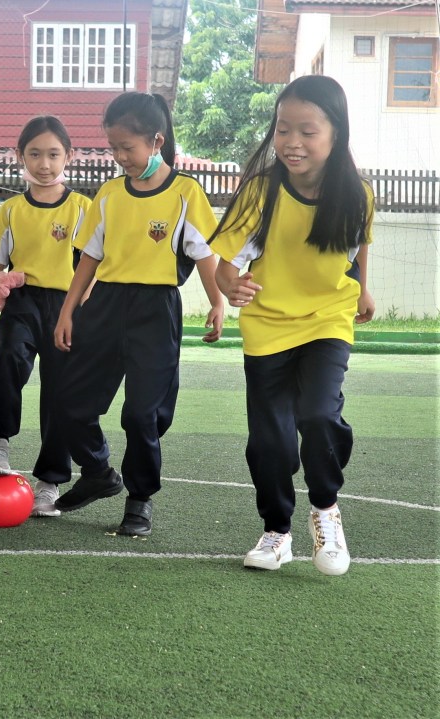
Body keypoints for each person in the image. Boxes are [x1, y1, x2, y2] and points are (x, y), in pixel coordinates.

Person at [211, 75, 374, 577]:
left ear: (336, 133)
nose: (292, 142)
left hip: (327, 319)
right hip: (267, 326)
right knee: (270, 441)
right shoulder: (259, 192)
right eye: (283, 129)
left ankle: (326, 510)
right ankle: (277, 532)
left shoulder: (357, 193)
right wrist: (231, 287)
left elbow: (357, 248)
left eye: (307, 131)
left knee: (319, 415)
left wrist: (364, 289)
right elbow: (225, 264)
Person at [52, 91, 224, 536]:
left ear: (156, 141)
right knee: (69, 403)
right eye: (113, 147)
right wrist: (68, 311)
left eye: (127, 147)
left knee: (141, 415)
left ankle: (139, 499)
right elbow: (89, 258)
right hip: (104, 307)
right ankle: (98, 473)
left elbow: (205, 254)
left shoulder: (186, 192)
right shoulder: (109, 194)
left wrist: (217, 301)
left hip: (156, 311)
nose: (119, 156)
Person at [0, 116, 92, 518]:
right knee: (9, 356)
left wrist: (80, 308)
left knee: (60, 393)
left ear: (69, 156)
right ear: (19, 155)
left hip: (67, 308)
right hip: (22, 303)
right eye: (35, 154)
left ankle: (49, 484)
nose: (44, 163)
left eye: (53, 154)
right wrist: (1, 279)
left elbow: (93, 266)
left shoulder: (83, 209)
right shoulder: (11, 210)